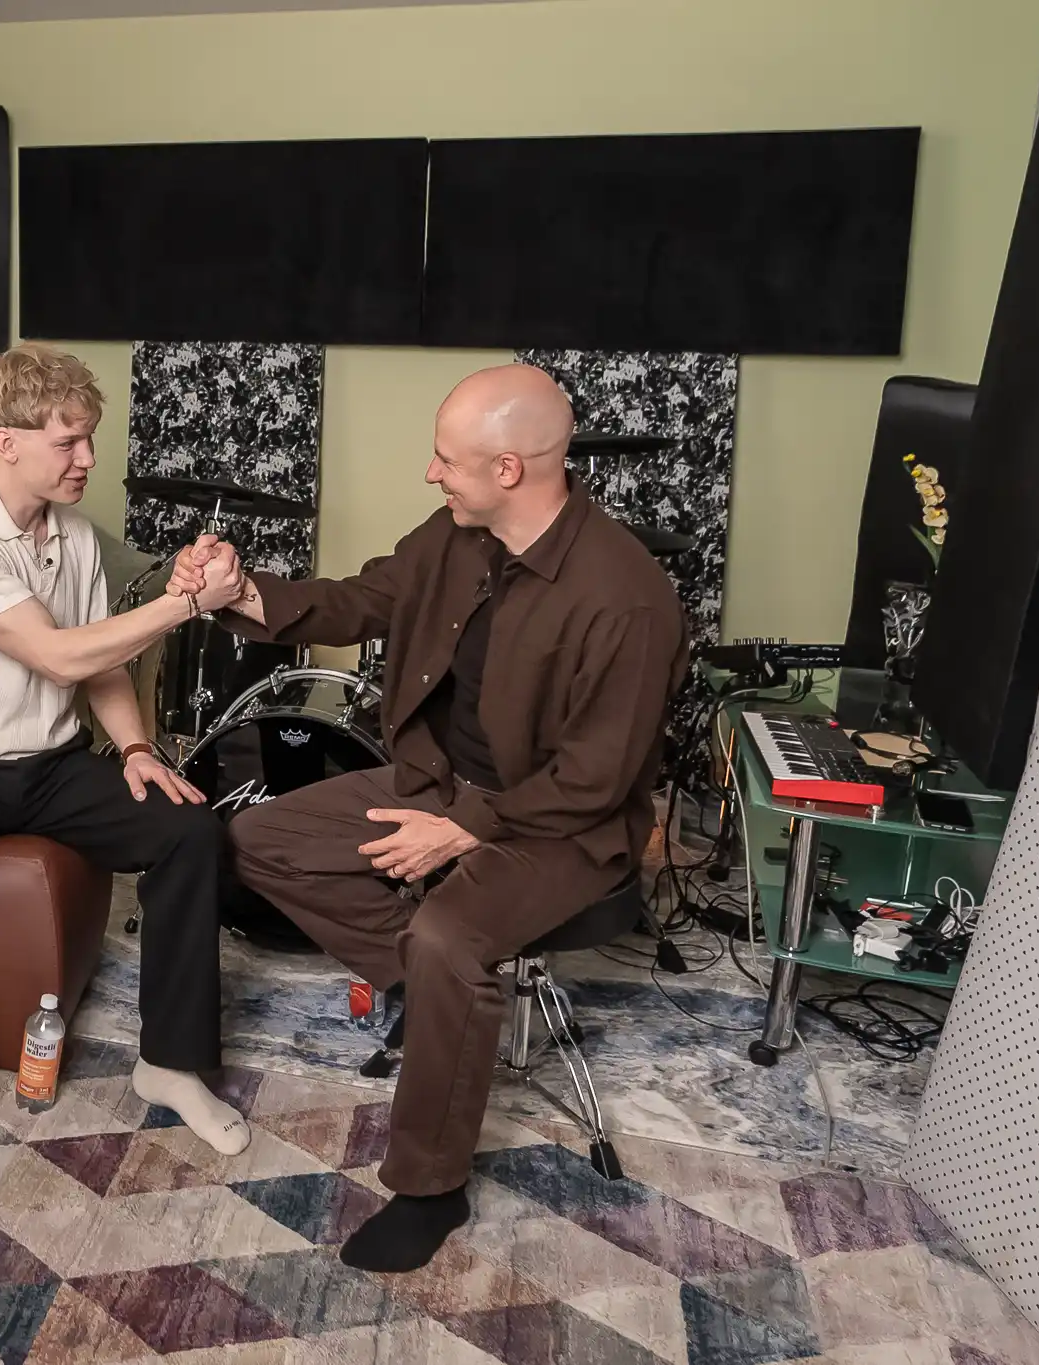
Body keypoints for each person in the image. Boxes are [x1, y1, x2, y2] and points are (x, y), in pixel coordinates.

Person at [167, 363, 688, 1272]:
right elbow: (366, 596)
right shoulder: (457, 533)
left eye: (447, 458)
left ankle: (430, 1186)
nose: (431, 472)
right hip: (438, 781)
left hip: (560, 825)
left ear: (510, 469)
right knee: (255, 839)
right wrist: (240, 593)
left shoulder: (628, 597)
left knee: (448, 937)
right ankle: (443, 997)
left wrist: (467, 828)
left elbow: (596, 778)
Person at [0, 342, 253, 1224]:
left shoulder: (72, 535)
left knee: (189, 832)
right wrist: (186, 602)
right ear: (7, 442)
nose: (88, 458)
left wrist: (138, 747)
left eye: (89, 438)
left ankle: (169, 1062)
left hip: (52, 762)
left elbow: (99, 663)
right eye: (69, 440)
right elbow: (58, 653)